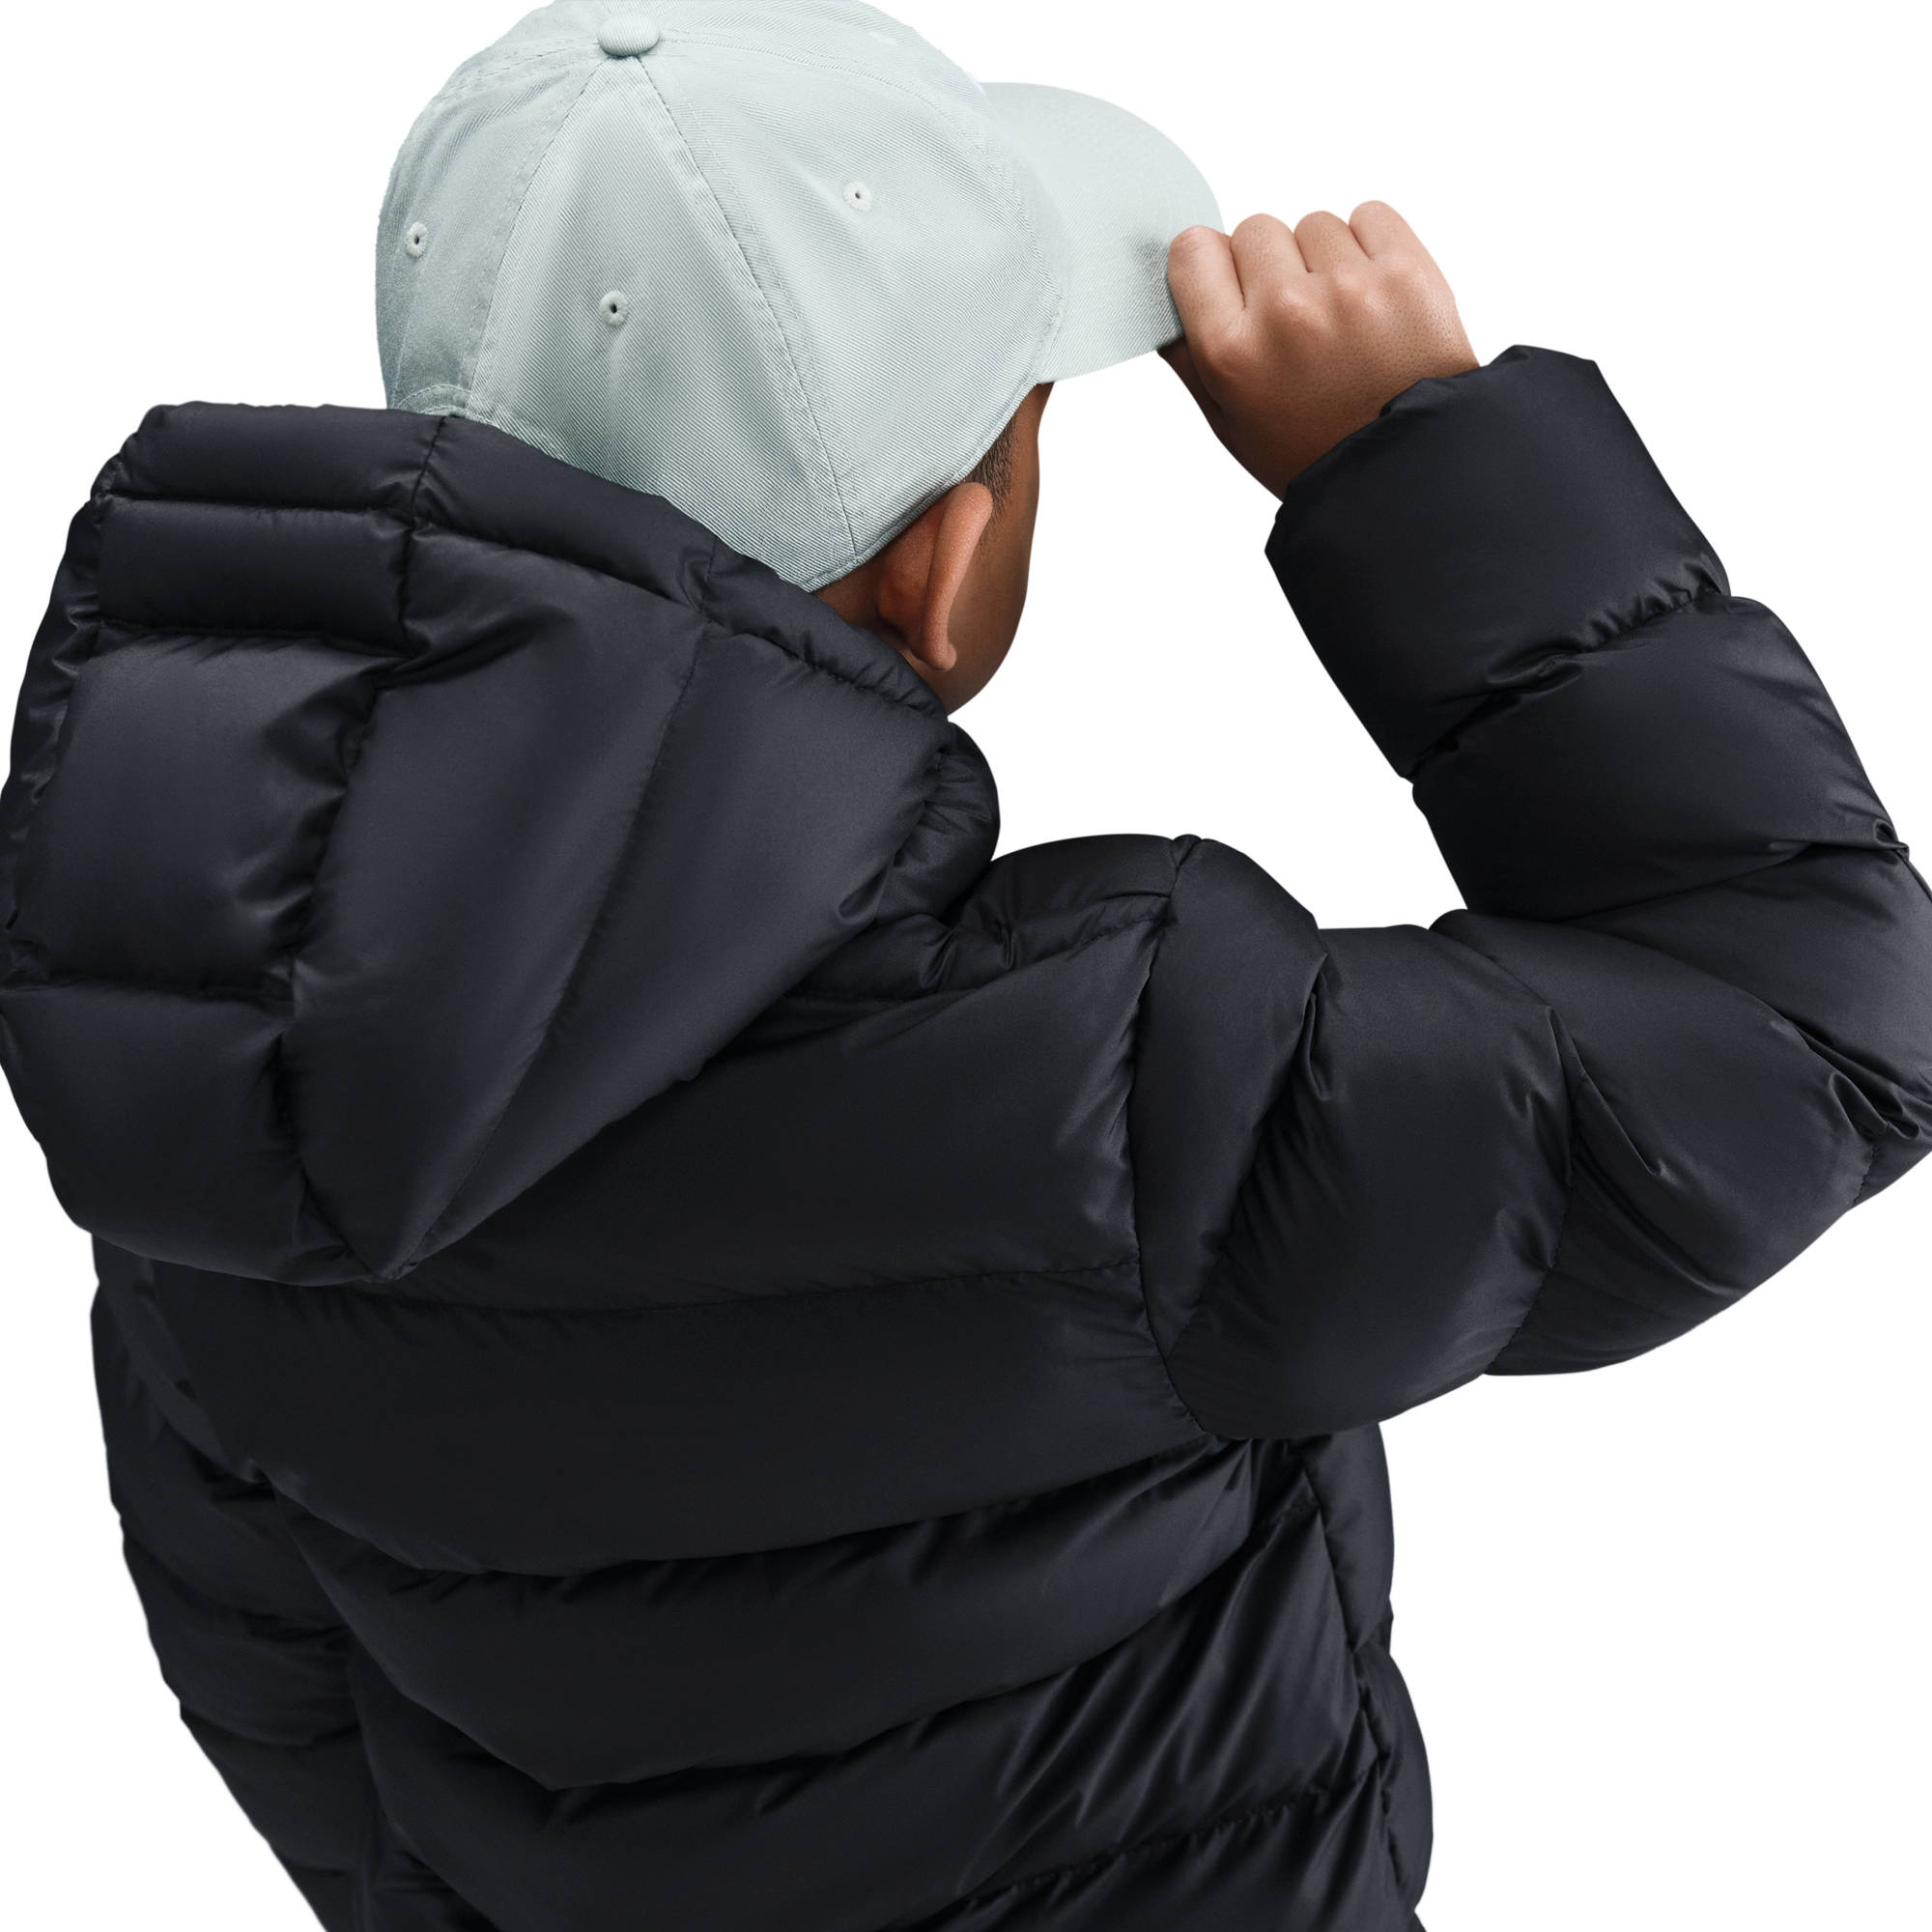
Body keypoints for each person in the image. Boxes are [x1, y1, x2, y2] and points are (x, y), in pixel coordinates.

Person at [2, 3, 1926, 1928]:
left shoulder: (215, 1046)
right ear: (943, 570)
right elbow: (1820, 1028)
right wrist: (1420, 465)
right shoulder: (1121, 1090)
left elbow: (273, 1669)